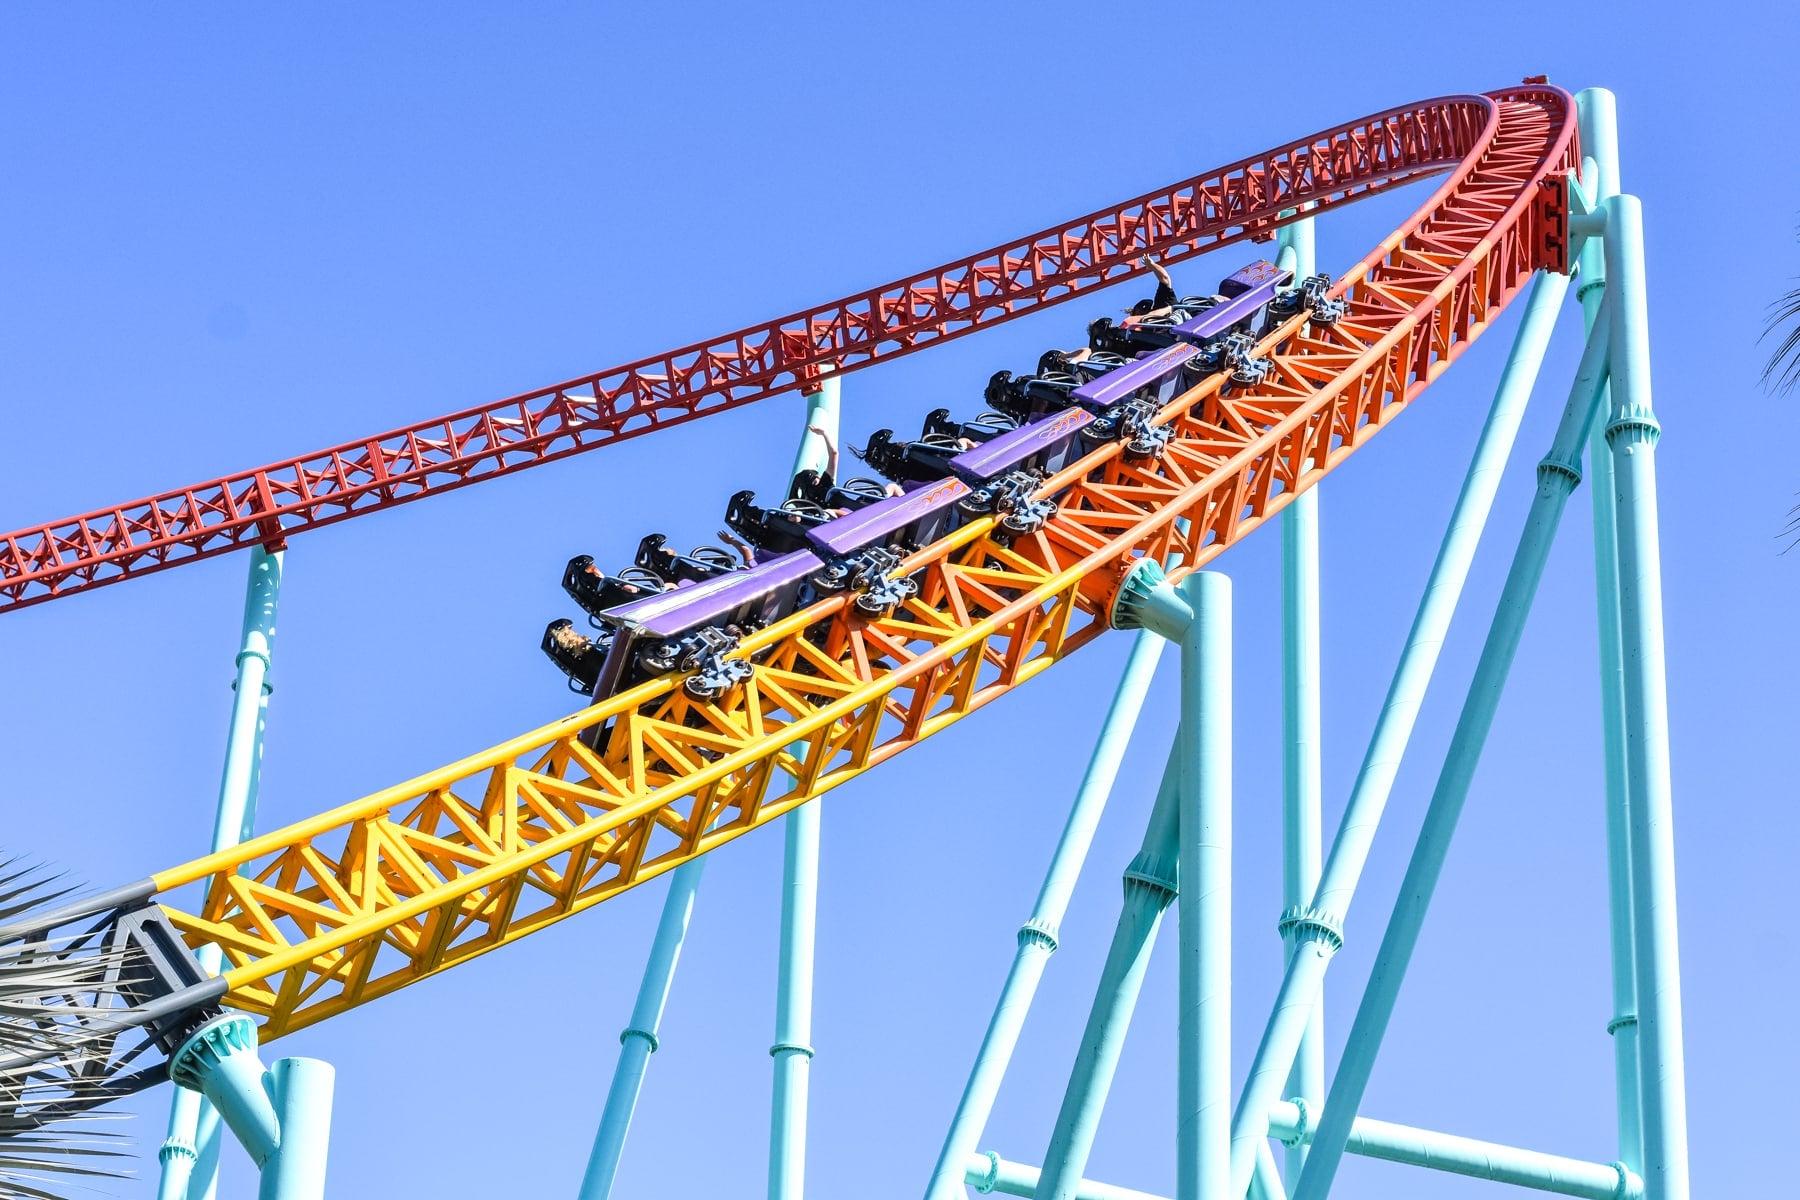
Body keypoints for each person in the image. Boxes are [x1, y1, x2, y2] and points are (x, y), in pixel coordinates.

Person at [1124, 253, 1180, 322]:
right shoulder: (1146, 324)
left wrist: (1152, 265)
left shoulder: (1163, 301)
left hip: (1180, 322)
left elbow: (1165, 278)